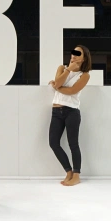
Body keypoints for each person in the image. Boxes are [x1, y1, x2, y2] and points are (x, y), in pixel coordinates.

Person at [47, 45, 92, 186]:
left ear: (84, 58)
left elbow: (73, 91)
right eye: (73, 52)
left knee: (73, 144)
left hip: (72, 111)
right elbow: (59, 82)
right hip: (56, 112)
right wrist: (68, 70)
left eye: (78, 53)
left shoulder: (85, 75)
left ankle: (76, 175)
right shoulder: (62, 68)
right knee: (53, 143)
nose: (74, 55)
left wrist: (57, 87)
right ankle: (68, 172)